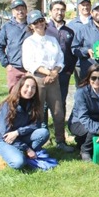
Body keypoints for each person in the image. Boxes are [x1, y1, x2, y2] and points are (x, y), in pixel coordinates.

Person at [22, 10, 74, 152]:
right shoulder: (29, 42)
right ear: (31, 26)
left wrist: (55, 72)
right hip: (37, 79)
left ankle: (60, 141)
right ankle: (38, 141)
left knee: (58, 112)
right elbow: (29, 63)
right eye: (35, 23)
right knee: (37, 112)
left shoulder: (52, 40)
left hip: (53, 79)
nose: (39, 24)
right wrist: (48, 72)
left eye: (40, 21)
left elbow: (60, 59)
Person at [0, 75, 50, 170]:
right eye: (27, 86)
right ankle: (4, 155)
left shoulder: (33, 104)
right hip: (2, 140)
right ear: (20, 87)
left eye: (33, 87)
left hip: (19, 136)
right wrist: (27, 148)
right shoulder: (7, 105)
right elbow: (5, 134)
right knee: (19, 163)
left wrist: (18, 132)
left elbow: (36, 125)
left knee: (43, 132)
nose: (30, 90)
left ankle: (23, 153)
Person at [68, 64, 99, 162]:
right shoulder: (81, 92)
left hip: (96, 122)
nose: (97, 81)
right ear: (89, 78)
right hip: (77, 122)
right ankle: (85, 150)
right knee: (94, 130)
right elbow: (83, 117)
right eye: (93, 78)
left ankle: (81, 141)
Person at [46, 0, 77, 117]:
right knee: (45, 102)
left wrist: (70, 70)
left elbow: (72, 53)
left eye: (62, 10)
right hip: (46, 72)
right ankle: (44, 128)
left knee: (61, 100)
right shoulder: (45, 29)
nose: (59, 12)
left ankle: (60, 127)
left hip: (64, 73)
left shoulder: (69, 32)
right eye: (56, 10)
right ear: (50, 12)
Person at [0, 0, 31, 91]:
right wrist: (6, 64)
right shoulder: (7, 27)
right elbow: (0, 46)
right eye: (17, 9)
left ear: (26, 10)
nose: (20, 11)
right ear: (13, 12)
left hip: (30, 69)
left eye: (22, 8)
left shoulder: (32, 25)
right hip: (14, 68)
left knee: (31, 96)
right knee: (14, 96)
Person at [67, 0, 92, 85]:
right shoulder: (72, 24)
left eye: (87, 5)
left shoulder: (95, 22)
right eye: (83, 5)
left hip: (95, 62)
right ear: (78, 7)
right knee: (81, 89)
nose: (85, 7)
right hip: (79, 64)